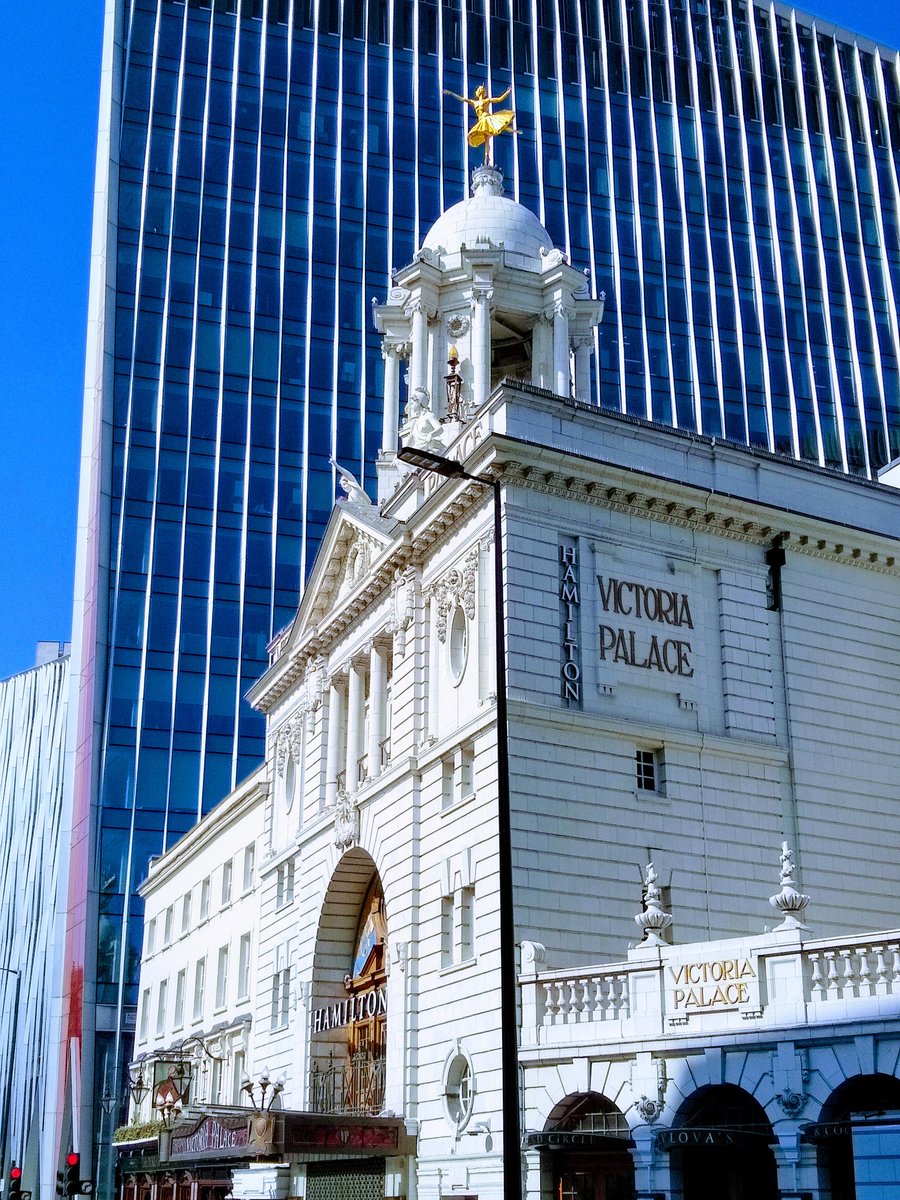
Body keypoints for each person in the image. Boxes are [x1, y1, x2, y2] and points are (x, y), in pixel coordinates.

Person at [444, 84, 516, 164]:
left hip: (487, 119)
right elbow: (462, 99)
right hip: (482, 121)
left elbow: (499, 99)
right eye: (480, 90)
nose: (481, 91)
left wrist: (507, 92)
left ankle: (486, 157)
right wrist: (450, 93)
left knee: (490, 136)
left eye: (482, 90)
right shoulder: (474, 102)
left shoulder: (486, 100)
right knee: (487, 140)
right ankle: (486, 156)